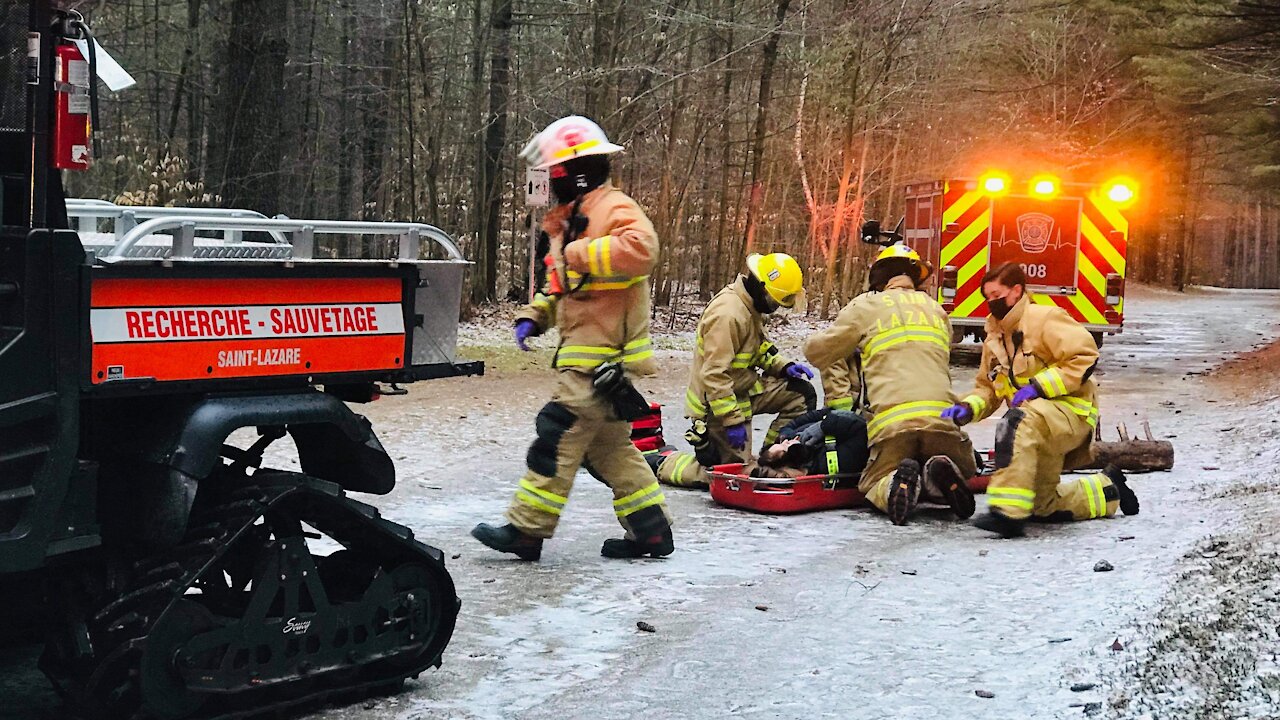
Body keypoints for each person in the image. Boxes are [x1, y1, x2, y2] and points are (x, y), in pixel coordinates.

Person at [471, 116, 674, 560]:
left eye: (552, 173)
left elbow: (643, 249)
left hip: (597, 362)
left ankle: (527, 530)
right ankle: (652, 531)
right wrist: (535, 315)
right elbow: (560, 285)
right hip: (593, 361)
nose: (548, 183)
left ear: (573, 172)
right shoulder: (573, 218)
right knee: (612, 450)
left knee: (556, 434)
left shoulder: (611, 207)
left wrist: (580, 253)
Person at [942, 262, 1139, 538]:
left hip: (1069, 413)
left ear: (1016, 291)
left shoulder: (1044, 319)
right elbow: (987, 390)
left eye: (996, 295)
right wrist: (966, 408)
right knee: (1040, 505)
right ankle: (1108, 489)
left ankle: (1007, 514)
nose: (991, 303)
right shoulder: (995, 339)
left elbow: (1084, 355)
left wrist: (1039, 386)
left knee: (1017, 421)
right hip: (1035, 427)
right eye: (987, 297)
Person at [804, 243, 978, 525]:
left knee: (872, 482)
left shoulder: (865, 307)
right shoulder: (936, 311)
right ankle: (935, 474)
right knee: (962, 466)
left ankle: (895, 484)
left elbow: (818, 353)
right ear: (916, 278)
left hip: (892, 427)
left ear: (880, 277)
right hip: (943, 423)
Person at [680, 253, 817, 470]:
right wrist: (732, 420)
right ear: (761, 286)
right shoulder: (728, 315)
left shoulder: (751, 307)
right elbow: (714, 375)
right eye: (774, 301)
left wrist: (783, 366)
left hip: (744, 389)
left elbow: (759, 350)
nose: (775, 308)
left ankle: (772, 456)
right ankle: (664, 463)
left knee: (800, 395)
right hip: (718, 404)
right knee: (735, 474)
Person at [648, 407, 867, 487]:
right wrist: (806, 430)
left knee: (696, 470)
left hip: (668, 467)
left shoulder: (831, 459)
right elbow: (818, 415)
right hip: (681, 462)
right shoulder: (807, 446)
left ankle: (662, 456)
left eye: (784, 444)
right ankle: (665, 452)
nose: (784, 440)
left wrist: (824, 426)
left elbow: (859, 428)